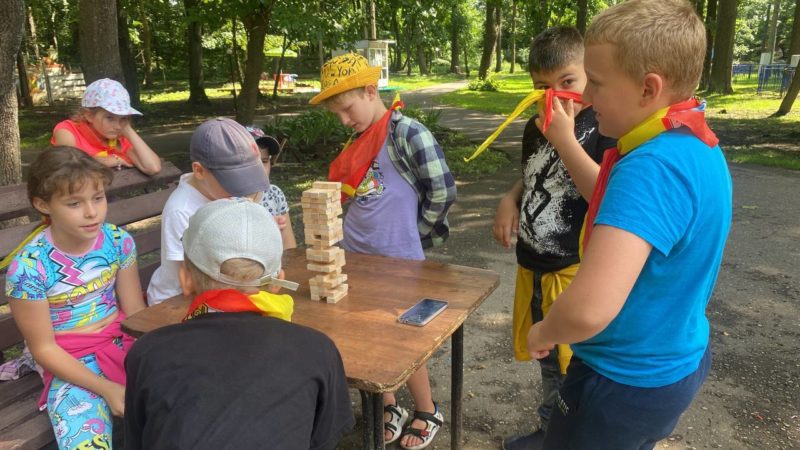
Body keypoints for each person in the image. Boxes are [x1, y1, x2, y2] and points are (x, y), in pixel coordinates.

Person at [526, 1, 732, 448]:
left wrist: (544, 331)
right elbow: (615, 200)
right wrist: (565, 145)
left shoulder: (651, 168)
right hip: (671, 363)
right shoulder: (693, 143)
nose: (585, 98)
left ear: (648, 88)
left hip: (619, 380)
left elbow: (588, 310)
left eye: (596, 83)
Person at [309, 53, 456, 450]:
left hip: (400, 261)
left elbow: (442, 190)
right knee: (366, 337)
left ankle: (426, 409)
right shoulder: (358, 140)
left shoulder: (407, 134)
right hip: (354, 255)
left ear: (371, 91)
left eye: (347, 109)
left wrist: (416, 235)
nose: (343, 120)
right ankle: (388, 407)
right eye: (336, 113)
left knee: (405, 340)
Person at [124, 198, 354, 449]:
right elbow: (321, 439)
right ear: (278, 282)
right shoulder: (317, 349)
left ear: (185, 280)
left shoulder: (147, 352)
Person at [491, 26, 615, 450]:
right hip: (534, 267)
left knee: (576, 366)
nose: (556, 98)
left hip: (573, 271)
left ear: (590, 78)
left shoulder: (604, 128)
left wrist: (565, 141)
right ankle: (549, 432)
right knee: (546, 362)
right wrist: (511, 197)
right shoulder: (534, 127)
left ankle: (570, 438)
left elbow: (603, 195)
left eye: (568, 83)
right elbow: (536, 177)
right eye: (542, 87)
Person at [3, 147, 146, 450]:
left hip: (121, 341)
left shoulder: (118, 242)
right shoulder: (30, 267)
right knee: (86, 441)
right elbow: (44, 349)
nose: (92, 212)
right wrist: (106, 388)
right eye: (74, 203)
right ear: (43, 204)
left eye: (98, 198)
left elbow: (135, 313)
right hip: (68, 361)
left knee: (181, 398)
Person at [146, 117, 270, 305]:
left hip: (232, 289)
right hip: (179, 299)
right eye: (234, 181)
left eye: (247, 177)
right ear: (199, 171)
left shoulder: (241, 193)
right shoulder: (182, 211)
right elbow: (194, 280)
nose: (243, 191)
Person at [52, 78, 161, 175]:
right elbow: (68, 165)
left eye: (123, 118)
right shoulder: (68, 130)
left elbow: (153, 168)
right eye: (110, 118)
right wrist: (113, 160)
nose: (118, 126)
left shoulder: (120, 139)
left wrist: (128, 129)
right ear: (89, 115)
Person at [246, 125, 297, 249]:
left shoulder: (275, 194)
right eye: (252, 162)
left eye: (264, 161)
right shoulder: (226, 199)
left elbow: (289, 245)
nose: (260, 169)